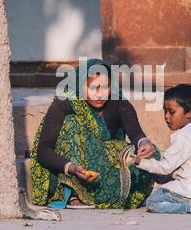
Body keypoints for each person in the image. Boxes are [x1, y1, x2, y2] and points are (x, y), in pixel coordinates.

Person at [29, 58, 160, 209]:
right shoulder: (65, 103)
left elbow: (136, 132)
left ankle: (111, 195)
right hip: (74, 168)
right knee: (72, 123)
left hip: (106, 165)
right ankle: (75, 194)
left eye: (105, 87)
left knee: (153, 154)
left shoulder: (118, 101)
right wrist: (71, 168)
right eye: (93, 87)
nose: (100, 94)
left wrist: (143, 142)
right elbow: (43, 150)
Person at [134, 84, 191, 214]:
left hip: (188, 189)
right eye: (164, 111)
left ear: (189, 112)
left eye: (171, 112)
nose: (166, 116)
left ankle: (189, 207)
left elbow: (165, 167)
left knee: (153, 202)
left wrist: (139, 162)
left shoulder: (183, 138)